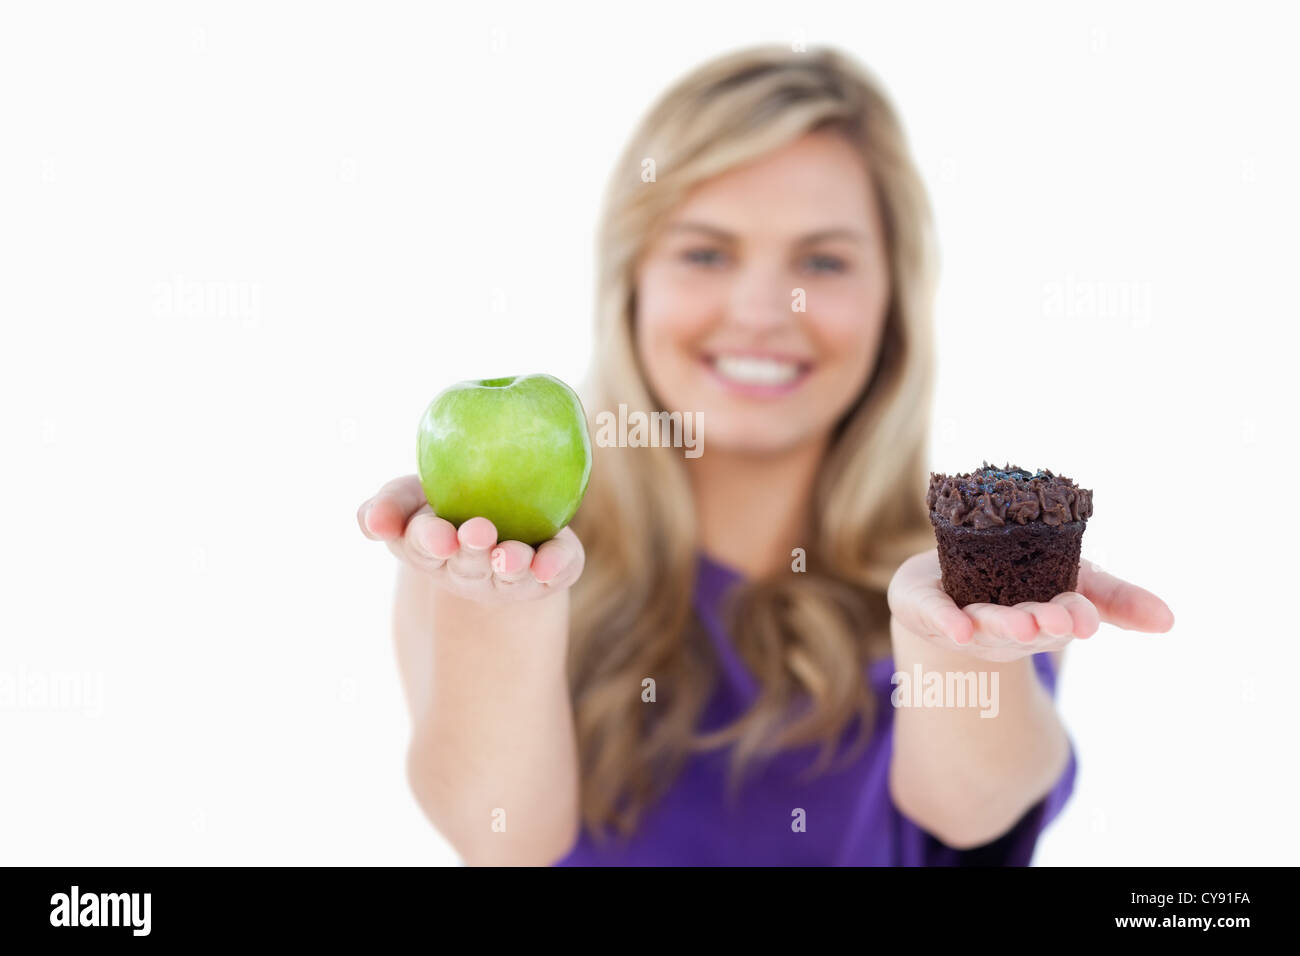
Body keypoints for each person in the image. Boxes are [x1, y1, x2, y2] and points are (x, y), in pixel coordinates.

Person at [356, 45, 1174, 866]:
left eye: (823, 261)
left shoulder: (965, 573)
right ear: (631, 284)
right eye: (705, 253)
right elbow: (501, 838)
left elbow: (974, 813)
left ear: (893, 298)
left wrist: (952, 644)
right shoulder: (478, 555)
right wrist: (503, 602)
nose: (760, 310)